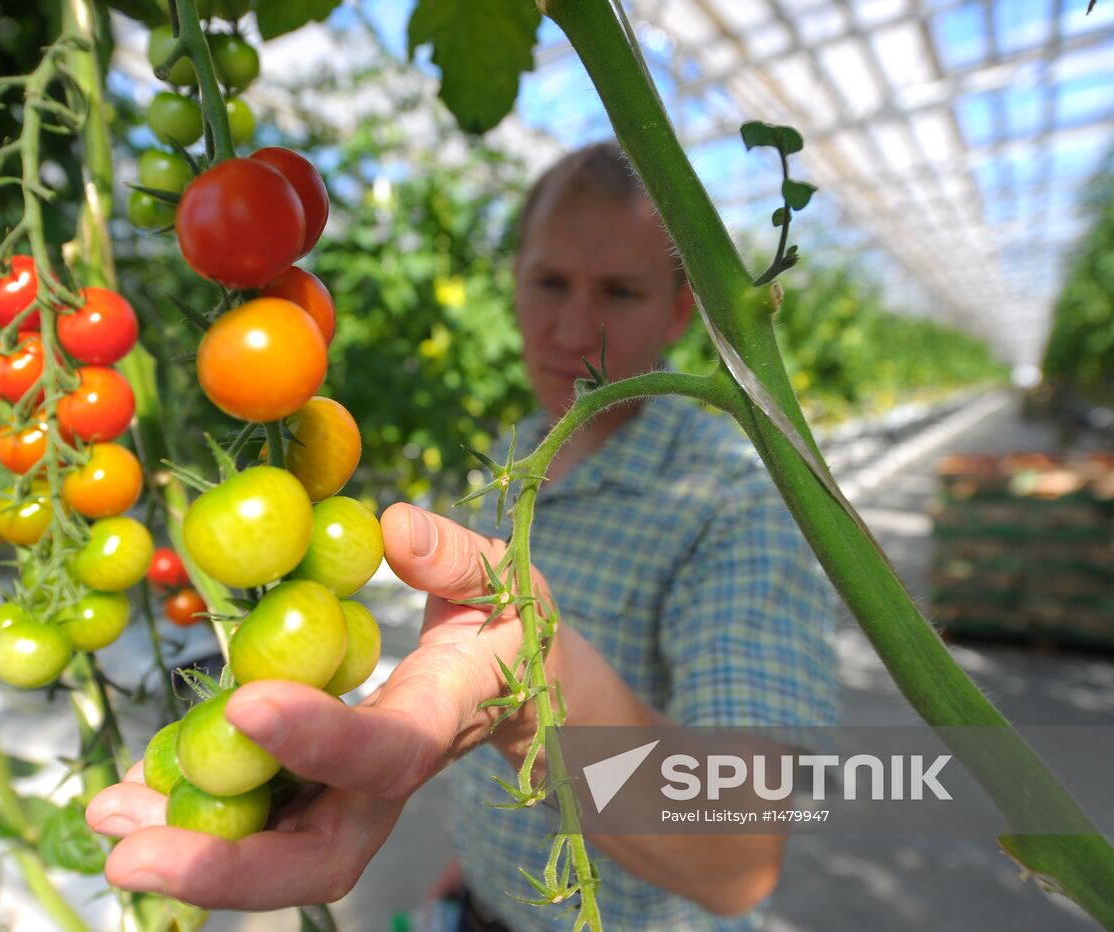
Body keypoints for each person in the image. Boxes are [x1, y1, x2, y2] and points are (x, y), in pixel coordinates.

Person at [86, 142, 839, 929]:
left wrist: (536, 690)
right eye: (549, 282)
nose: (573, 326)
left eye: (619, 291)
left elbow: (739, 850)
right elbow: (476, 717)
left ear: (681, 312)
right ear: (513, 279)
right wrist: (467, 875)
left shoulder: (734, 502)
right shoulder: (512, 461)